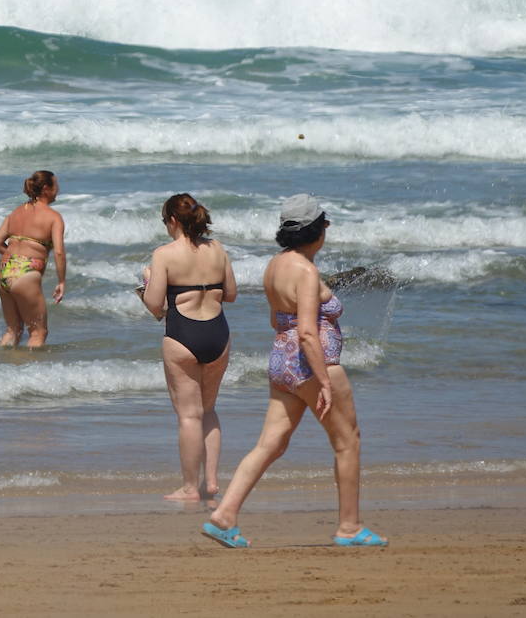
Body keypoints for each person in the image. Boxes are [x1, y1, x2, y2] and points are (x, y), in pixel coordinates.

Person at [201, 194, 385, 549]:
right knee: (348, 442)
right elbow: (306, 332)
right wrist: (324, 382)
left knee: (269, 444)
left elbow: (277, 320)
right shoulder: (306, 271)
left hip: (281, 363)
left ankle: (224, 516)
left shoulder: (274, 266)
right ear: (317, 231)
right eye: (325, 224)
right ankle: (349, 527)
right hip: (312, 365)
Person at [140, 193, 237, 501]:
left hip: (183, 334)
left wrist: (147, 282)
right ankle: (210, 482)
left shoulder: (164, 254)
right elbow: (231, 294)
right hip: (218, 333)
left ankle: (189, 488)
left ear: (172, 221)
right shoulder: (217, 248)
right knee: (208, 411)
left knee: (188, 416)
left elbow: (156, 306)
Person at [0, 170, 67, 348]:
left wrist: (15, 259)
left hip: (4, 269)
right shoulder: (54, 217)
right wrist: (61, 281)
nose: (59, 189)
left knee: (13, 329)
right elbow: (59, 253)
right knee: (38, 332)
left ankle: (0, 369)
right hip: (26, 273)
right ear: (47, 188)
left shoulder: (16, 212)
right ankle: (30, 373)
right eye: (56, 185)